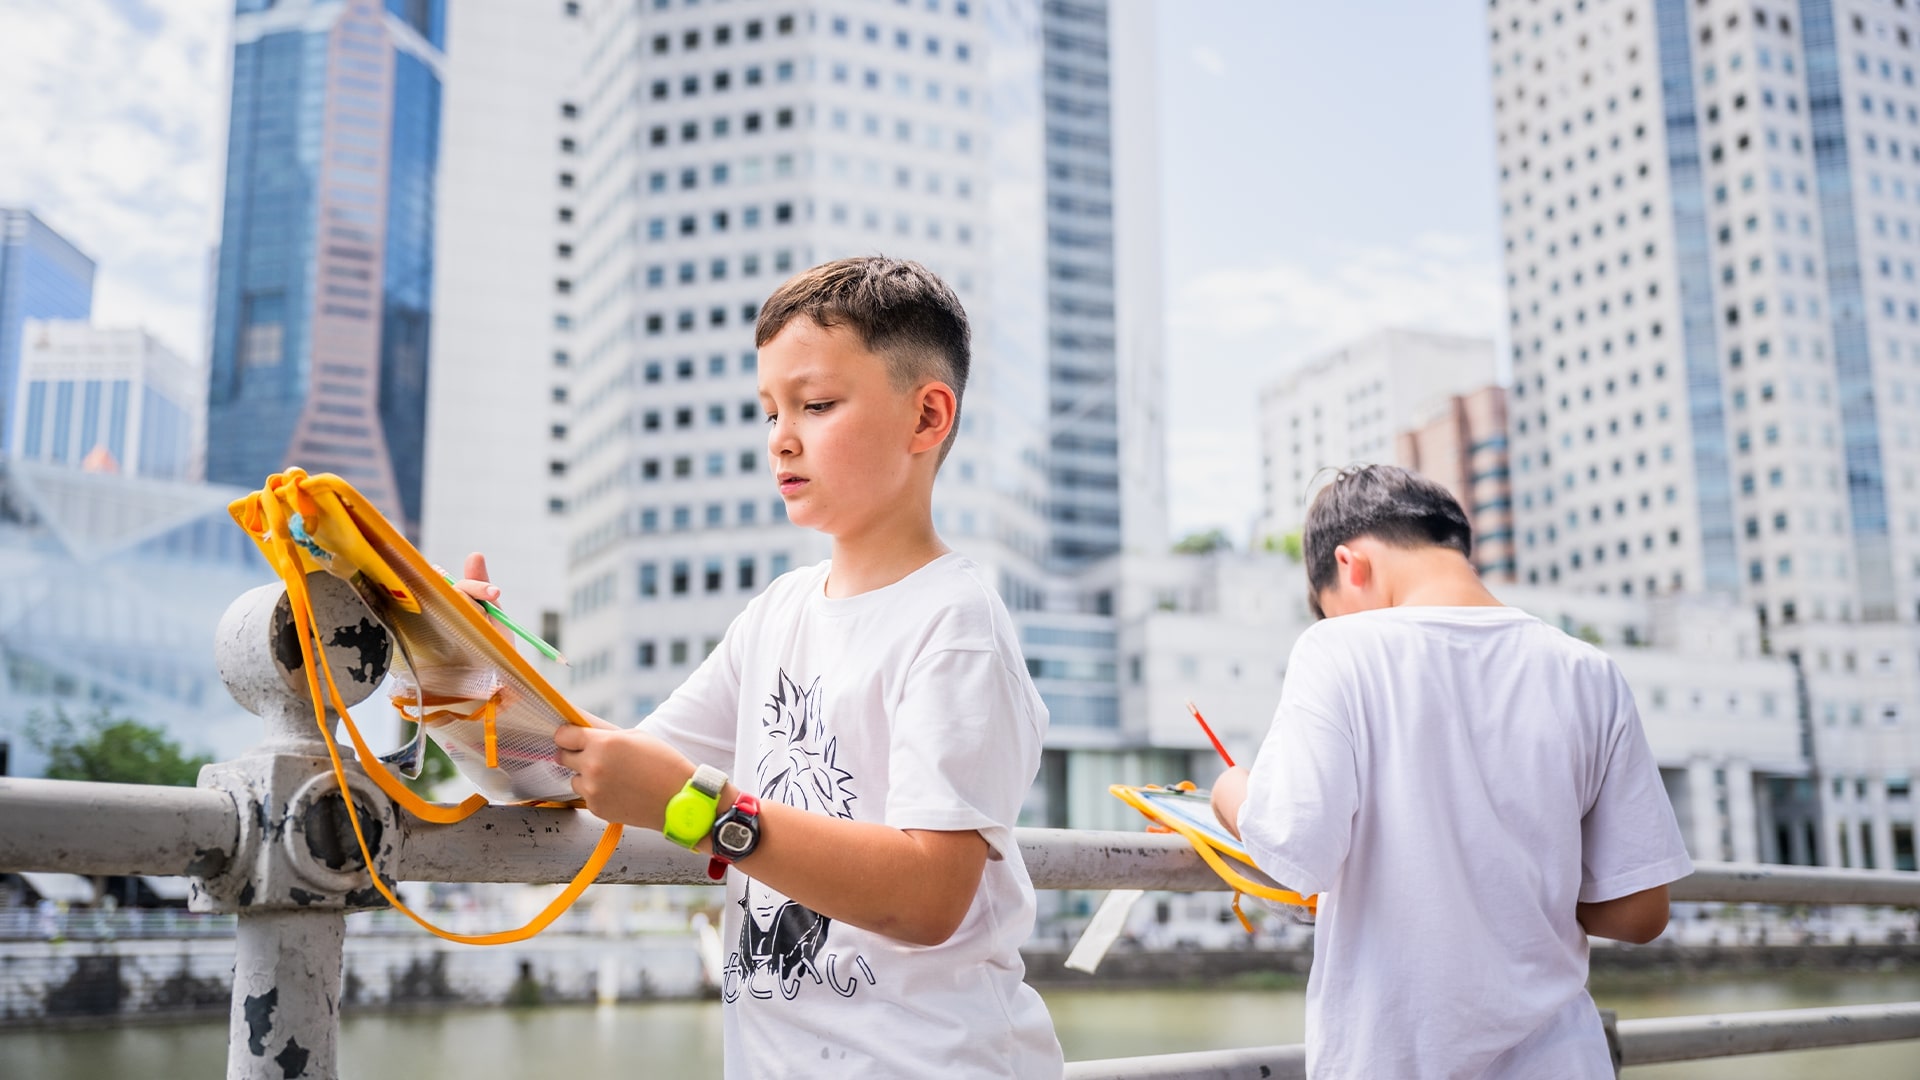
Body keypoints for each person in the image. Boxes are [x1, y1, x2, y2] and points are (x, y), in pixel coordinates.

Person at [459, 257, 1062, 1078]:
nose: (781, 436)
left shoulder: (954, 625)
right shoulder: (777, 614)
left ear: (927, 417)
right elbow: (598, 771)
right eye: (770, 409)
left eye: (816, 405)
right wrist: (465, 669)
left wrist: (699, 811)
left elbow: (929, 897)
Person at [1210, 465, 1692, 1079]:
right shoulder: (1587, 671)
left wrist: (1229, 791)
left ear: (1351, 565)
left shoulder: (1338, 649)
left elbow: (1295, 847)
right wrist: (1512, 890)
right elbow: (1639, 914)